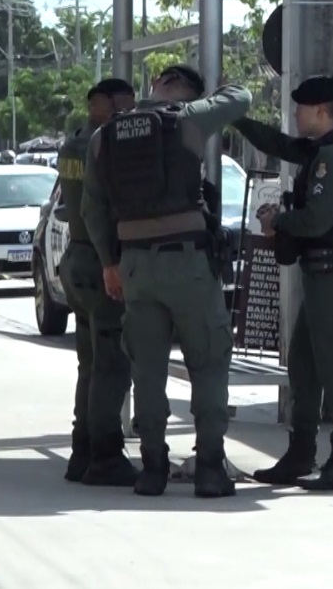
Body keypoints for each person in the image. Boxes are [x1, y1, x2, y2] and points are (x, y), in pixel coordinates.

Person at [80, 64, 252, 498]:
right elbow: (242, 96)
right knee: (209, 363)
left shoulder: (105, 137)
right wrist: (200, 101)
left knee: (147, 369)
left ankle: (152, 469)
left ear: (153, 85)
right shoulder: (189, 119)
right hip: (188, 263)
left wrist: (109, 263)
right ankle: (210, 468)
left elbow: (92, 210)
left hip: (135, 266)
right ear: (185, 94)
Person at [232, 75, 333, 492]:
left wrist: (279, 220)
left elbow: (317, 219)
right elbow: (278, 144)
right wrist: (235, 118)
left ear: (320, 112)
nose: (295, 114)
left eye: (301, 108)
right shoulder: (322, 149)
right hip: (320, 274)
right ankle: (301, 453)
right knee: (305, 368)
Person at [57, 77, 138, 486]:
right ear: (103, 103)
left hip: (77, 258)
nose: (131, 110)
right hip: (102, 259)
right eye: (124, 103)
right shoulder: (106, 144)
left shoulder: (72, 143)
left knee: (88, 365)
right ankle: (105, 454)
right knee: (110, 364)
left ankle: (82, 450)